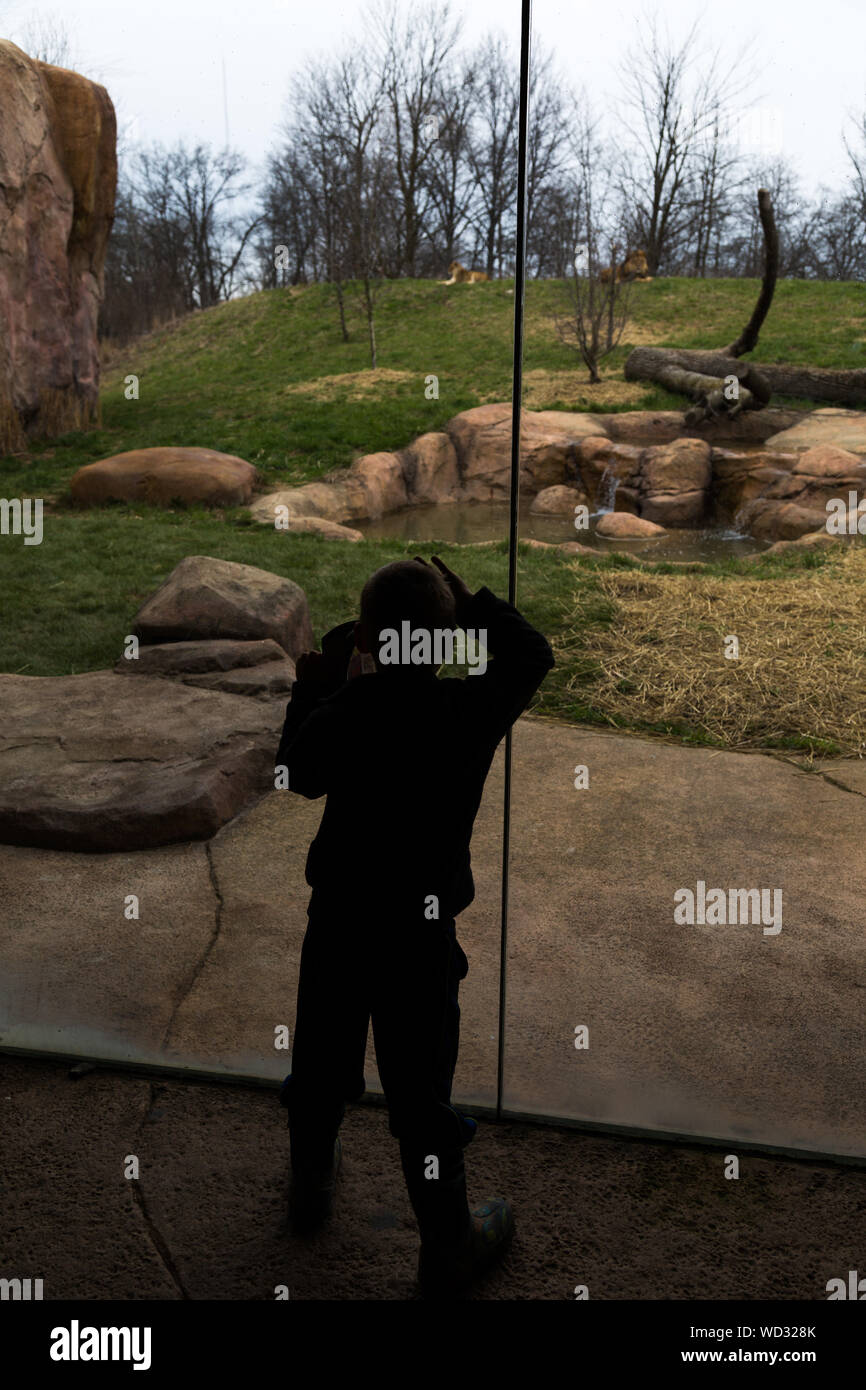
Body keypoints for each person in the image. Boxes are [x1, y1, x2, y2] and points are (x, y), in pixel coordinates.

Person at [275, 555, 555, 1297]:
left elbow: (295, 772)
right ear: (444, 641)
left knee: (322, 1061)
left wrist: (314, 687)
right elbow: (533, 654)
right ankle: (447, 1241)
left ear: (367, 635)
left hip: (338, 920)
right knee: (419, 1095)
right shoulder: (464, 712)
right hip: (418, 933)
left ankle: (309, 1184)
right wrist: (472, 605)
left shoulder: (345, 712)